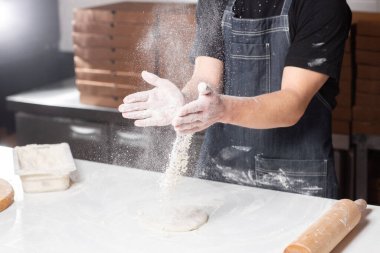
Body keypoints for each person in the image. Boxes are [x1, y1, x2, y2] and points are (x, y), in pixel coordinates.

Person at [118, 0, 352, 199]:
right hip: (220, 172)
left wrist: (222, 109)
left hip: (297, 181)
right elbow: (205, 79)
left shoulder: (323, 5)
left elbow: (292, 103)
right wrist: (184, 98)